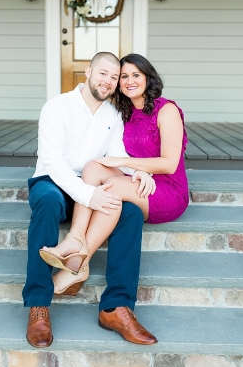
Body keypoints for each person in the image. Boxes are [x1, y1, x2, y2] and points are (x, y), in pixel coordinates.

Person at [24, 52, 157, 349]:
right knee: (46, 203)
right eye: (103, 74)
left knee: (131, 213)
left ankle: (116, 307)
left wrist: (139, 171)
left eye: (114, 77)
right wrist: (88, 194)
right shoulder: (56, 107)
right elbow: (54, 163)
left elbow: (118, 156)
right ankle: (38, 304)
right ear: (87, 72)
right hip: (53, 183)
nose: (108, 81)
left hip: (92, 183)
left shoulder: (112, 115)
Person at [43, 53, 188, 315]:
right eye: (124, 77)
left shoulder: (166, 110)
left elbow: (169, 164)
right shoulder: (123, 112)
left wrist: (130, 166)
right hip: (138, 180)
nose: (129, 81)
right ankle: (76, 237)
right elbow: (122, 157)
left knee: (110, 189)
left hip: (165, 190)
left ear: (147, 77)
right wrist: (133, 169)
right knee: (92, 166)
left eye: (136, 75)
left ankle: (79, 259)